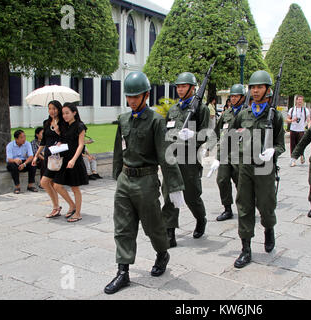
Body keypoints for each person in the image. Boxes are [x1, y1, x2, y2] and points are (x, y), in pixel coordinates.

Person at [104, 71, 185, 295]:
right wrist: (116, 175)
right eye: (128, 96)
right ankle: (123, 272)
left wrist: (175, 186)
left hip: (147, 181)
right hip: (125, 180)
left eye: (135, 96)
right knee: (122, 227)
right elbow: (119, 150)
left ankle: (162, 253)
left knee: (153, 227)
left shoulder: (157, 121)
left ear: (146, 95)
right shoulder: (123, 119)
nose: (131, 101)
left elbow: (166, 155)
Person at [231, 70, 285, 268]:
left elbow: (281, 144)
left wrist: (273, 152)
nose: (255, 91)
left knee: (266, 205)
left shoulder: (275, 116)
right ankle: (246, 249)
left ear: (267, 90)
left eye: (259, 87)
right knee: (244, 206)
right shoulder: (243, 114)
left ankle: (268, 228)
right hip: (245, 166)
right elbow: (231, 134)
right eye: (252, 87)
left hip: (265, 168)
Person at [162, 72, 210, 248]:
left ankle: (200, 218)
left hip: (190, 159)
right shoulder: (173, 110)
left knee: (191, 196)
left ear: (192, 88)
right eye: (178, 86)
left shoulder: (201, 109)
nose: (180, 89)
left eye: (183, 86)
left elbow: (207, 134)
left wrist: (193, 135)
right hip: (172, 157)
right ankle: (170, 232)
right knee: (169, 194)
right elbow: (166, 133)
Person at [210, 84, 245, 222]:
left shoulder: (247, 114)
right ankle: (227, 209)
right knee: (222, 180)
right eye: (232, 96)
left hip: (241, 154)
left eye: (237, 96)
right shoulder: (226, 114)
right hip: (225, 154)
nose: (234, 99)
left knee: (241, 183)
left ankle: (245, 208)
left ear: (242, 97)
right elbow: (217, 132)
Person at [52, 102, 89, 223]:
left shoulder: (80, 126)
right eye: (63, 113)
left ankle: (78, 213)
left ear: (74, 112)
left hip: (75, 160)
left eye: (67, 113)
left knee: (75, 188)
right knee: (56, 185)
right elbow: (64, 141)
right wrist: (59, 142)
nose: (65, 116)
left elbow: (80, 145)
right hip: (64, 159)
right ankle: (72, 205)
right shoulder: (64, 126)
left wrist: (73, 160)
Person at [32, 100, 64, 218]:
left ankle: (60, 206)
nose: (52, 111)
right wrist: (36, 155)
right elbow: (44, 141)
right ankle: (56, 206)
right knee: (48, 182)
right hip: (48, 156)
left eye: (54, 108)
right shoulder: (46, 122)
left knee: (45, 182)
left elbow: (65, 138)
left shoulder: (63, 122)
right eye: (50, 108)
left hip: (58, 156)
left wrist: (58, 130)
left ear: (59, 109)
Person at [6, 130, 38, 194]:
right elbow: (9, 159)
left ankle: (30, 185)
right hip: (13, 162)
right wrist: (15, 160)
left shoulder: (27, 144)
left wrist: (24, 164)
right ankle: (17, 187)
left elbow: (31, 156)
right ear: (16, 139)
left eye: (24, 136)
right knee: (12, 166)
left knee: (33, 164)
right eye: (21, 137)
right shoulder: (10, 145)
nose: (24, 139)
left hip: (24, 161)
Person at [287, 95, 311, 167]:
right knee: (292, 145)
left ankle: (301, 155)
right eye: (299, 100)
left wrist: (309, 128)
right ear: (296, 101)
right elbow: (287, 119)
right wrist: (292, 120)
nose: (300, 101)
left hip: (301, 130)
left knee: (301, 144)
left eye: (301, 100)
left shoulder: (305, 110)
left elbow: (308, 120)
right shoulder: (292, 110)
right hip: (293, 129)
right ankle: (293, 160)